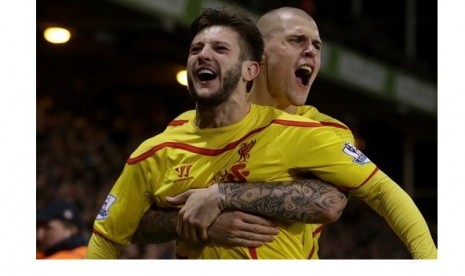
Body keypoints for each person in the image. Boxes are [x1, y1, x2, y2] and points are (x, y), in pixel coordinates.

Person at [87, 6, 436, 259]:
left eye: (317, 45)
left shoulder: (319, 131)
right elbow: (122, 225)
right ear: (259, 57)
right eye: (298, 40)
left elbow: (332, 204)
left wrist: (221, 195)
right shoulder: (172, 137)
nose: (312, 51)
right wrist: (200, 223)